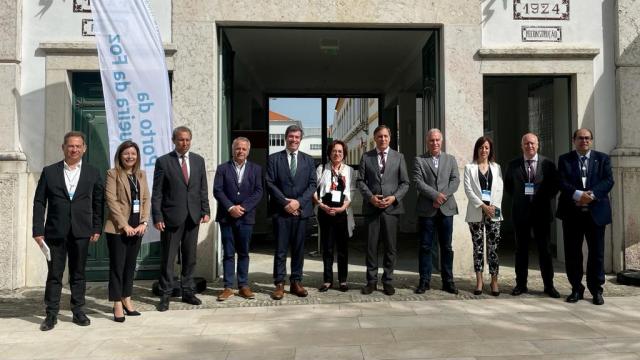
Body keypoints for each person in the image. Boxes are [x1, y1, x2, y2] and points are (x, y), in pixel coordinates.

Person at [32, 131, 104, 331]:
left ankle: (78, 311)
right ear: (63, 147)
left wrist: (96, 227)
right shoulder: (49, 172)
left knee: (78, 273)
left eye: (78, 146)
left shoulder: (93, 172)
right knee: (54, 274)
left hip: (82, 231)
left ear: (84, 149)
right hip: (55, 231)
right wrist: (37, 229)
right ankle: (51, 314)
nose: (74, 149)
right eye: (70, 146)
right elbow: (39, 202)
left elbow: (99, 203)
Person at [152, 126, 210, 311]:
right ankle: (166, 294)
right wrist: (157, 215)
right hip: (171, 217)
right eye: (180, 140)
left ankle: (187, 291)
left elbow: (202, 188)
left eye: (187, 140)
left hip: (193, 216)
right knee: (168, 257)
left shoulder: (198, 161)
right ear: (174, 141)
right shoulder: (163, 162)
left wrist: (205, 209)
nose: (184, 143)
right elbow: (157, 193)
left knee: (190, 257)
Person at [557, 128, 614, 305]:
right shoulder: (565, 159)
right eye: (580, 138)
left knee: (596, 253)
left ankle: (596, 290)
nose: (584, 141)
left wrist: (591, 195)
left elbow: (608, 180)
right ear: (574, 140)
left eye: (587, 138)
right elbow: (561, 181)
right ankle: (576, 288)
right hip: (572, 213)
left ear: (591, 140)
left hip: (596, 213)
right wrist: (577, 195)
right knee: (573, 253)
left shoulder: (602, 158)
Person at [504, 133, 560, 298]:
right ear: (522, 146)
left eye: (532, 143)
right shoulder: (513, 165)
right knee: (521, 250)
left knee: (545, 250)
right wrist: (522, 199)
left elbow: (554, 186)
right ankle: (521, 285)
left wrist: (541, 199)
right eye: (526, 143)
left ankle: (549, 286)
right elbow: (509, 187)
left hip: (541, 213)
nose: (530, 146)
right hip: (521, 213)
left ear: (538, 145)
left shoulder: (548, 164)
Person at [357, 125, 410, 296]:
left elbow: (405, 183)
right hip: (372, 208)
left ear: (390, 138)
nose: (383, 139)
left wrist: (394, 197)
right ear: (375, 138)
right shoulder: (366, 157)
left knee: (390, 247)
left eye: (386, 136)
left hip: (391, 209)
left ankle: (387, 281)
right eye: (380, 136)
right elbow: (360, 181)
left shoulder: (399, 157)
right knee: (371, 247)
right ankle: (371, 282)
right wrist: (371, 197)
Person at [266, 125, 317, 300]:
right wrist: (285, 202)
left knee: (298, 249)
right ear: (285, 137)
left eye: (297, 137)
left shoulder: (309, 160)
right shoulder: (274, 159)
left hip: (301, 212)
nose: (294, 140)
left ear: (300, 139)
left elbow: (312, 185)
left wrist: (298, 203)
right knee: (280, 250)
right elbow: (270, 183)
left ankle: (296, 282)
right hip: (281, 212)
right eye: (291, 136)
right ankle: (279, 284)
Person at [104, 141, 150, 322]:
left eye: (133, 153)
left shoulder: (141, 174)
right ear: (120, 156)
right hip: (117, 229)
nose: (130, 156)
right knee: (118, 266)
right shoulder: (112, 174)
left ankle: (127, 298)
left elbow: (146, 199)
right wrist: (125, 226)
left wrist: (144, 222)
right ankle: (116, 302)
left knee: (130, 265)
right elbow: (111, 201)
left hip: (137, 227)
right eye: (126, 153)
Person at [213, 137, 263, 301]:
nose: (240, 151)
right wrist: (230, 207)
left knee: (243, 252)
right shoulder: (222, 169)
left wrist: (243, 208)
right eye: (237, 148)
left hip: (246, 217)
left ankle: (243, 286)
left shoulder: (256, 169)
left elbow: (258, 191)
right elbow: (218, 190)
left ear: (248, 151)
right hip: (227, 217)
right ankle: (228, 287)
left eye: (243, 149)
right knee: (228, 253)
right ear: (232, 149)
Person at [412, 129, 460, 294]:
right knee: (425, 246)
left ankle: (448, 281)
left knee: (446, 247)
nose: (435, 143)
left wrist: (443, 196)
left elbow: (455, 180)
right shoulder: (419, 160)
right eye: (432, 140)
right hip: (427, 209)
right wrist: (435, 195)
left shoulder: (451, 159)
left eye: (437, 140)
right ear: (427, 142)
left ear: (442, 141)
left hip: (447, 210)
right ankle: (424, 281)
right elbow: (418, 181)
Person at [313, 140, 355, 292]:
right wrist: (322, 206)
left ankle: (343, 280)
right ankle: (327, 280)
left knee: (343, 248)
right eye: (334, 151)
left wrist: (342, 208)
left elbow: (352, 191)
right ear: (329, 153)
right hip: (325, 212)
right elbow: (314, 190)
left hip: (342, 213)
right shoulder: (321, 169)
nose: (337, 154)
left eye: (340, 152)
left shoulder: (349, 171)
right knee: (327, 248)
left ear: (344, 154)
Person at [463, 136, 503, 296]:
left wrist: (493, 207)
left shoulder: (496, 167)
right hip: (476, 211)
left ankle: (494, 281)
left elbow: (499, 188)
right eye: (481, 147)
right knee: (478, 248)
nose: (484, 150)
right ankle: (479, 281)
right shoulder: (469, 167)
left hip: (494, 212)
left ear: (490, 149)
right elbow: (468, 190)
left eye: (486, 147)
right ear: (476, 149)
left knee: (493, 248)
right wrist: (483, 206)